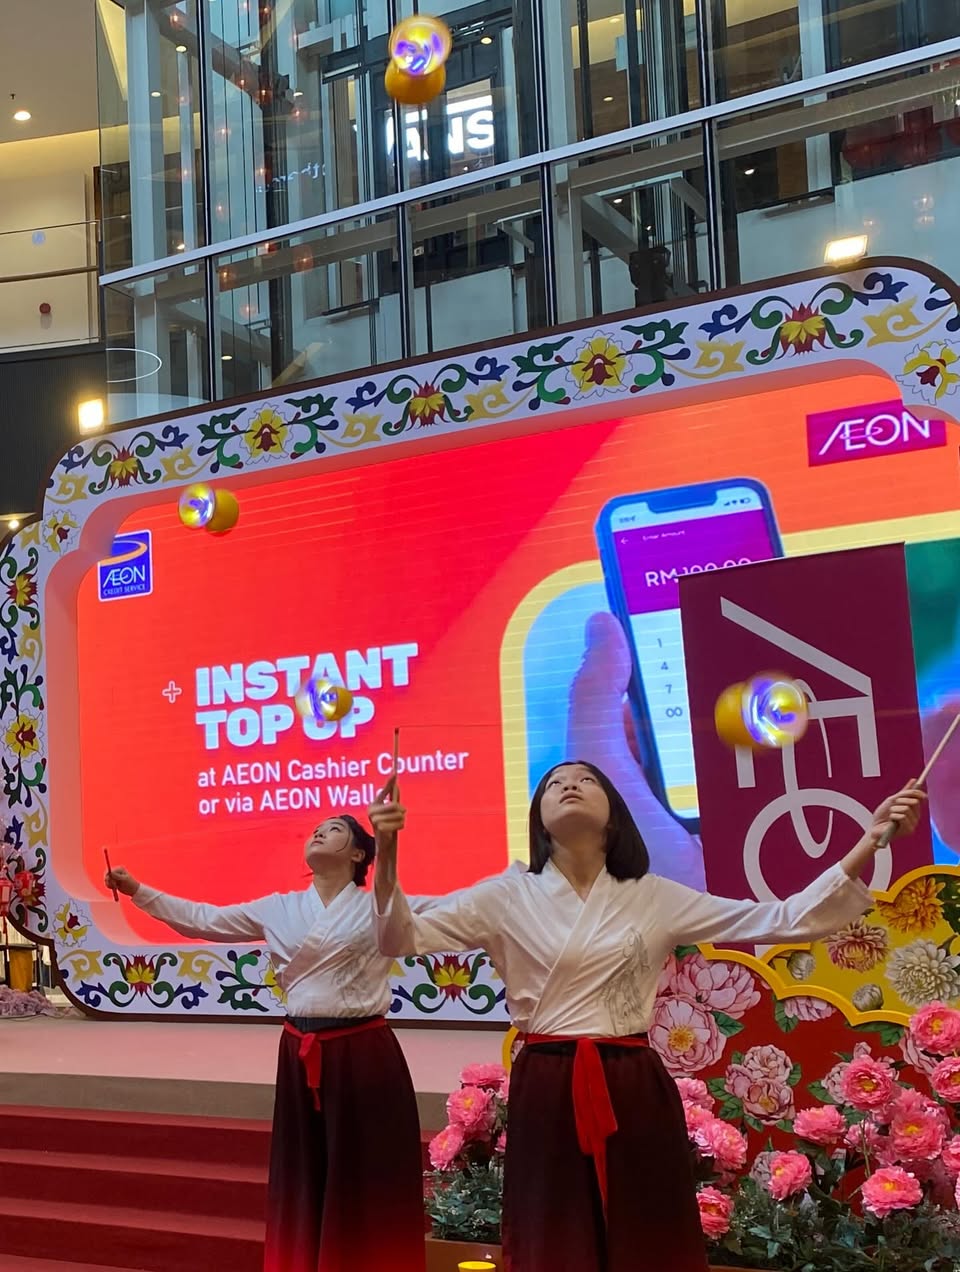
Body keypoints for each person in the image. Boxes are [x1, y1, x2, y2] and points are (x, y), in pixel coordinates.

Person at [370, 761, 926, 1272]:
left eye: (586, 780)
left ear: (614, 815)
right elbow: (401, 936)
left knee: (648, 1223)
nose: (568, 785)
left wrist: (870, 842)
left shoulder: (653, 895)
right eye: (554, 783)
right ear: (538, 819)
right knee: (552, 1222)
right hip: (546, 1078)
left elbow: (782, 917)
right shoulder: (503, 894)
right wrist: (388, 852)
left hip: (631, 1079)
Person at [106, 812, 428, 1272]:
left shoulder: (379, 903)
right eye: (317, 828)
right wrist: (138, 890)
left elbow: (418, 920)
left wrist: (391, 846)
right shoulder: (279, 907)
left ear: (360, 853)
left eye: (335, 829)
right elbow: (203, 920)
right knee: (305, 1170)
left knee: (366, 1172)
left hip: (362, 1050)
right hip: (299, 1049)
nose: (320, 831)